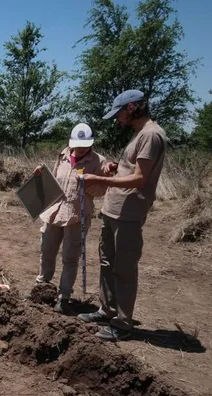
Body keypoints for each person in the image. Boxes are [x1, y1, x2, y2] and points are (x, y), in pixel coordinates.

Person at [77, 90, 168, 341]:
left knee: (124, 268)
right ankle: (106, 311)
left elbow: (140, 179)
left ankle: (123, 324)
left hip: (129, 213)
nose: (117, 120)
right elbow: (133, 169)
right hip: (113, 209)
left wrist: (97, 178)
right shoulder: (139, 135)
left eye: (118, 114)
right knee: (107, 263)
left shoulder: (150, 135)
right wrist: (115, 169)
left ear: (130, 108)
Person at [33, 123, 115, 314]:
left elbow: (100, 191)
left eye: (84, 145)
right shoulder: (62, 155)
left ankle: (64, 297)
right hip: (54, 212)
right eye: (77, 145)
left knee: (70, 258)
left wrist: (89, 181)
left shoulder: (98, 161)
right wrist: (40, 175)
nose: (80, 149)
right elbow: (53, 181)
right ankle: (42, 288)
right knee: (47, 250)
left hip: (77, 215)